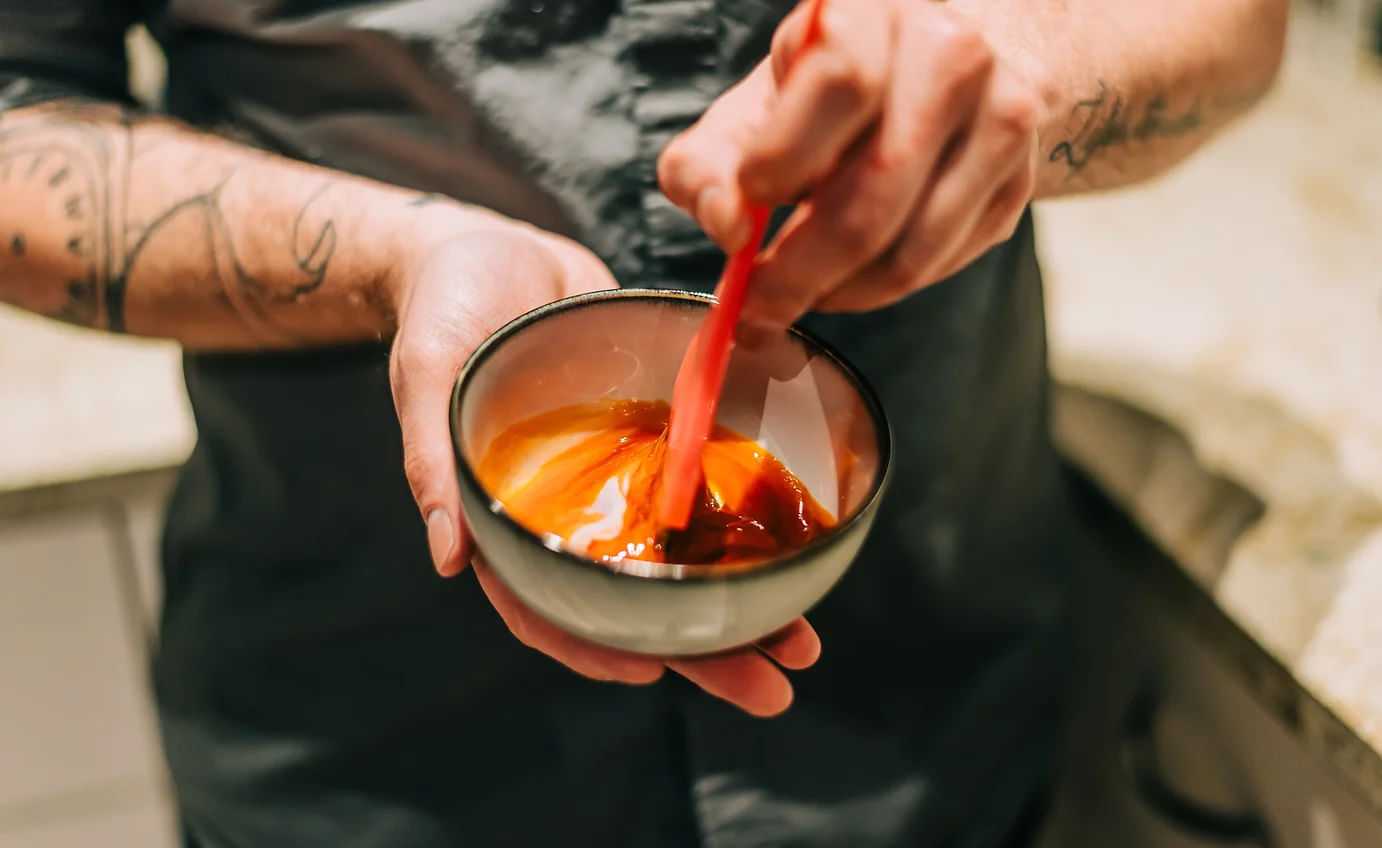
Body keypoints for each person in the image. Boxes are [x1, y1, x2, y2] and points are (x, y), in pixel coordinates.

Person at [0, 1, 1287, 845]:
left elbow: (1234, 23)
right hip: (365, 742)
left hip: (923, 722)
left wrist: (1026, 81)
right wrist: (393, 257)